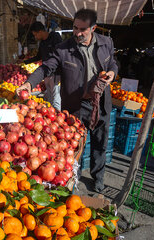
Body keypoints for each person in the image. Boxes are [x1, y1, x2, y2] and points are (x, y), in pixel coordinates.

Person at [16, 9, 118, 193]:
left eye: (82, 30)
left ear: (93, 28)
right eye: (75, 28)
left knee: (100, 143)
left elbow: (113, 64)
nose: (77, 33)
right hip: (76, 106)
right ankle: (72, 179)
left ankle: (98, 177)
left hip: (101, 102)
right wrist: (29, 84)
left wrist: (112, 74)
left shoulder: (106, 43)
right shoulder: (63, 49)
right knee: (73, 146)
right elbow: (45, 68)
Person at [22, 22, 63, 110]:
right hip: (46, 73)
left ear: (40, 31)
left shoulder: (55, 37)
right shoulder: (42, 43)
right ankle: (51, 114)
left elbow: (61, 54)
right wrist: (26, 62)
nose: (35, 37)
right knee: (49, 95)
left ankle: (58, 114)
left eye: (35, 34)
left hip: (56, 73)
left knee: (56, 96)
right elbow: (38, 56)